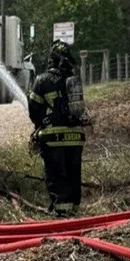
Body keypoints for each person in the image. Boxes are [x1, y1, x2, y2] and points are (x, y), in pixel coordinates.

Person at [27, 40, 88, 215]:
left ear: (51, 59)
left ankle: (61, 214)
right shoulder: (73, 81)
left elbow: (34, 110)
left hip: (53, 138)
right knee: (73, 175)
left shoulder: (42, 80)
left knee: (56, 176)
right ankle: (74, 211)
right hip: (76, 136)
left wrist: (40, 125)